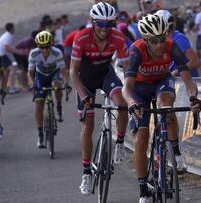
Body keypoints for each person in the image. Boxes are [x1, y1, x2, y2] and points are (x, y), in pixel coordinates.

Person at [121, 14, 201, 203]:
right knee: (141, 139)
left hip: (161, 82)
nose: (159, 45)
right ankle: (143, 190)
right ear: (146, 40)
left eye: (162, 39)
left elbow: (188, 81)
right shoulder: (137, 50)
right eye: (154, 41)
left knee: (166, 107)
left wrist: (193, 97)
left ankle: (175, 152)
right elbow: (127, 88)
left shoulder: (171, 46)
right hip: (139, 90)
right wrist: (132, 103)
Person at [70, 2, 129, 195]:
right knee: (88, 124)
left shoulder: (118, 37)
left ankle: (119, 143)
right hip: (85, 78)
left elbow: (128, 70)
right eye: (101, 24)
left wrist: (131, 90)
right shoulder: (82, 38)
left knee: (122, 104)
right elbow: (73, 72)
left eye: (109, 25)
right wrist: (83, 95)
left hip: (105, 75)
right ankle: (86, 173)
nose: (105, 29)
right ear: (93, 23)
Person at [28, 31, 70, 148]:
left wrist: (66, 84)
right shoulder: (34, 53)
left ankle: (59, 107)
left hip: (54, 74)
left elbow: (63, 71)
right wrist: (32, 84)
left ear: (51, 44)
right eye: (42, 47)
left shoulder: (57, 53)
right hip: (40, 76)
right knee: (39, 103)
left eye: (47, 46)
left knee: (57, 85)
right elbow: (30, 72)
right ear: (38, 46)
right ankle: (40, 134)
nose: (45, 49)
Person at [156, 9, 201, 77]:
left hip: (188, 81)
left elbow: (195, 62)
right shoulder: (161, 40)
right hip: (176, 82)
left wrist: (175, 72)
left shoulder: (179, 39)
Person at [0, 22, 23, 94]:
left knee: (7, 71)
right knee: (13, 69)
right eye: (14, 28)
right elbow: (7, 48)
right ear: (11, 29)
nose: (15, 29)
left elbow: (8, 48)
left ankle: (3, 88)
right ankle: (12, 87)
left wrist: (16, 51)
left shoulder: (6, 35)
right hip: (1, 55)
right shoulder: (8, 36)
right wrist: (18, 52)